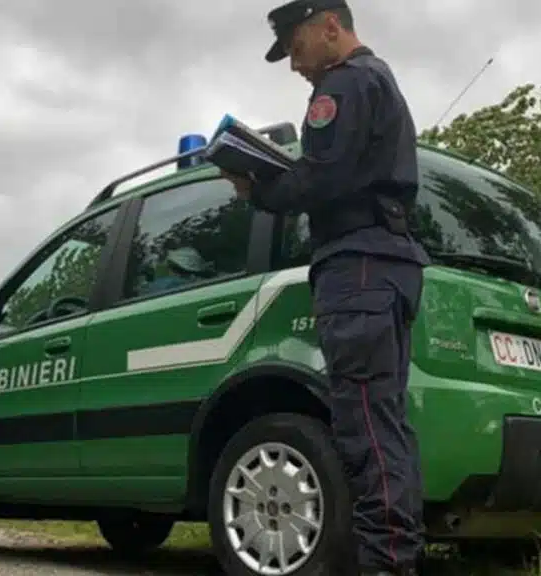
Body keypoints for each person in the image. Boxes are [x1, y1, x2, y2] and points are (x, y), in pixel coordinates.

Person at [222, 1, 430, 574]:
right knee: (385, 424)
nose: (294, 65)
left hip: (359, 264)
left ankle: (386, 564)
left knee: (363, 424)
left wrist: (257, 188)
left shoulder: (346, 83)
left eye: (295, 48)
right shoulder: (380, 81)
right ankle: (399, 557)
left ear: (329, 26)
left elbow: (320, 178)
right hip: (387, 263)